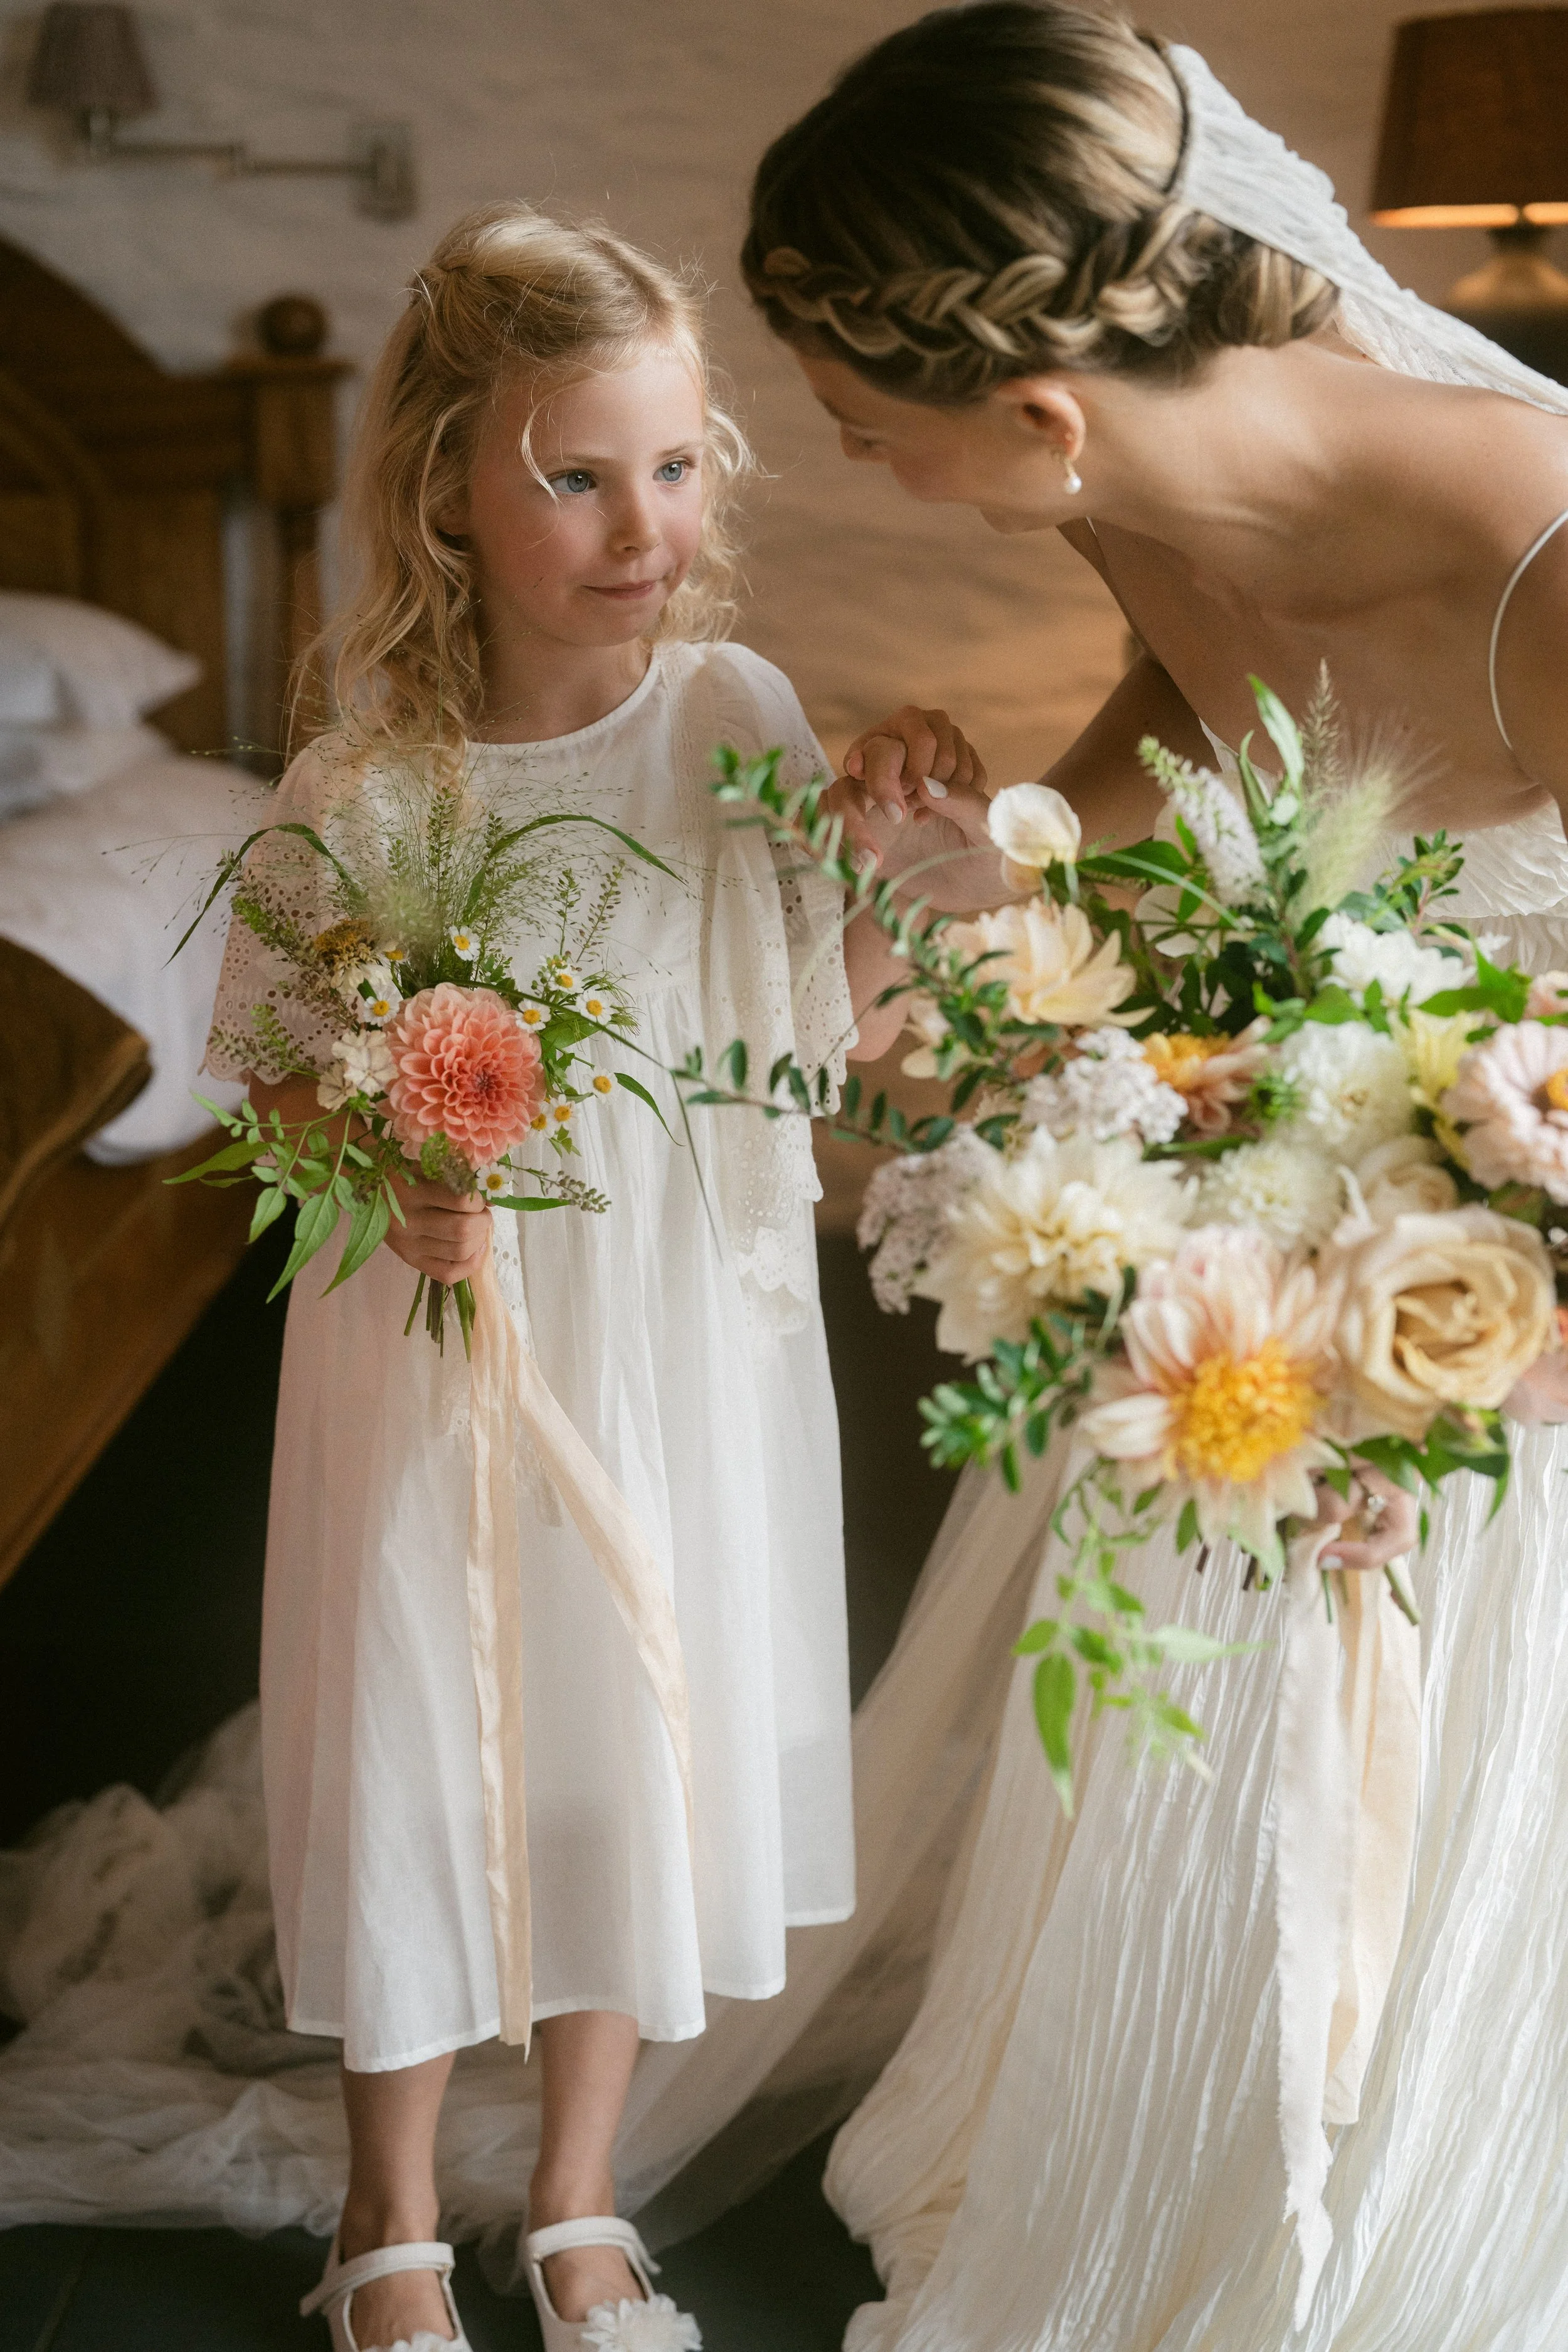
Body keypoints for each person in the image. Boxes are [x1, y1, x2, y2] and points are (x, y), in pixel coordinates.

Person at [706, 6, 1568, 2348]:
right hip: (1271, 1247)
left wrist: (1454, 1361)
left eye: (865, 431)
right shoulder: (1130, 485)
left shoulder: (1550, 559)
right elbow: (1178, 730)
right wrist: (984, 861)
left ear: (1046, 408)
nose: (855, 465)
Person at [204, 202, 982, 2352]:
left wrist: (899, 871)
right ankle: (379, 2213)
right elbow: (269, 1078)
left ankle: (570, 2193)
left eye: (672, 465)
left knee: (621, 1735)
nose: (640, 524)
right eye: (572, 474)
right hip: (446, 1342)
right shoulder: (372, 779)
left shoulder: (731, 707)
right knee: (424, 1719)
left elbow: (785, 1039)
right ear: (446, 482)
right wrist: (385, 1169)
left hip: (684, 1335)